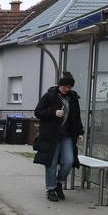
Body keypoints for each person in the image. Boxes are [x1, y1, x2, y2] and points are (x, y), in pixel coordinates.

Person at [33, 72, 84, 201]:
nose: (67, 89)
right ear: (60, 85)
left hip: (67, 135)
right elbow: (38, 112)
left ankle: (59, 184)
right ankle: (50, 189)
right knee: (52, 162)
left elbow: (76, 116)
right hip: (51, 135)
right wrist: (53, 112)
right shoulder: (49, 96)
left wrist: (80, 132)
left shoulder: (72, 98)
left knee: (69, 161)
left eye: (69, 87)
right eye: (65, 86)